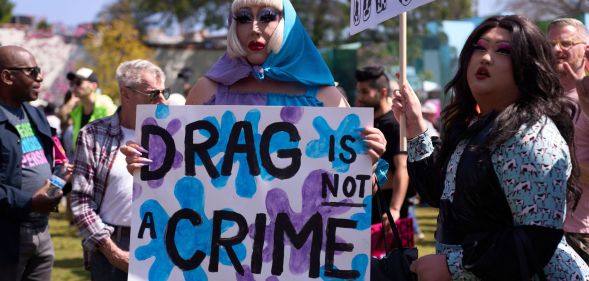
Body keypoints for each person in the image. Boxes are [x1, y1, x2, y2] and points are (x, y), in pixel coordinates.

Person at [392, 15, 589, 280]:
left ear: (528, 66)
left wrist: (454, 267)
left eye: (504, 51)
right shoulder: (477, 126)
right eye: (480, 47)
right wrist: (415, 126)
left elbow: (536, 238)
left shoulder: (531, 135)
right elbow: (442, 193)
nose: (486, 58)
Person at [123, 0, 386, 173]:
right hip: (223, 248)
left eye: (268, 16)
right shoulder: (208, 91)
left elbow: (353, 194)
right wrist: (145, 162)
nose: (255, 29)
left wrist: (368, 163)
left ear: (288, 24)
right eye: (244, 17)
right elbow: (176, 171)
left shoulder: (326, 97)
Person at [70, 60, 169, 280]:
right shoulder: (94, 135)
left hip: (162, 241)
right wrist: (112, 252)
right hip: (112, 242)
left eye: (165, 92)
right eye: (153, 94)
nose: (162, 100)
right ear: (125, 94)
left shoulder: (174, 133)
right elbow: (80, 201)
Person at [0, 45, 65, 280]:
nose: (40, 76)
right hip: (8, 237)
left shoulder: (35, 114)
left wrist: (59, 179)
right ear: (7, 76)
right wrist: (29, 201)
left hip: (42, 230)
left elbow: (53, 159)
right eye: (32, 71)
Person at [547, 17, 589, 265]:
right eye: (550, 44)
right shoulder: (537, 97)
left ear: (586, 49)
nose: (555, 50)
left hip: (580, 232)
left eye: (566, 42)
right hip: (538, 229)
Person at [354, 66, 411, 237]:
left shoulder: (396, 124)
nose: (360, 97)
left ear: (383, 92)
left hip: (387, 207)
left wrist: (394, 208)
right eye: (358, 91)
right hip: (366, 204)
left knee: (391, 261)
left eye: (365, 92)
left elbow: (402, 167)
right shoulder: (365, 121)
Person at [67, 67, 117, 148]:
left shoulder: (105, 105)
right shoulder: (76, 112)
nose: (74, 87)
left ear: (93, 86)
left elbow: (115, 136)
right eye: (72, 84)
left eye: (78, 82)